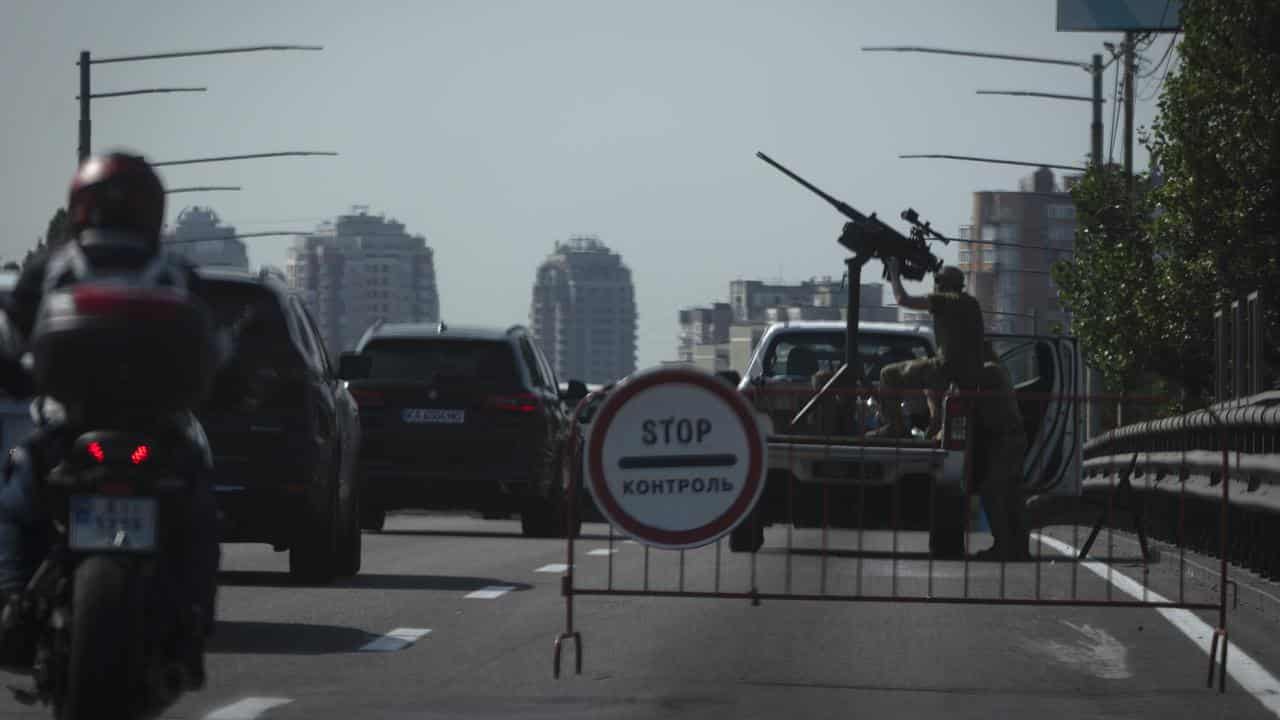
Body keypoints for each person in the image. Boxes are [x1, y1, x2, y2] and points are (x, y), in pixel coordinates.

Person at [0, 153, 225, 683]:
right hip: (155, 430)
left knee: (17, 491)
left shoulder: (55, 265)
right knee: (199, 507)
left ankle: (11, 604)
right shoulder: (174, 272)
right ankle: (192, 621)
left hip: (69, 426)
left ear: (80, 207)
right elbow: (216, 351)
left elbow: (13, 333)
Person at [867, 259, 985, 438]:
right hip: (967, 375)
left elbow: (902, 299)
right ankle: (935, 423)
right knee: (929, 380)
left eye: (936, 281)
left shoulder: (945, 299)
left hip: (946, 368)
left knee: (888, 374)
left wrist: (894, 272)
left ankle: (895, 427)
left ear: (942, 284)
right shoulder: (972, 303)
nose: (934, 286)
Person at [972, 342, 1030, 561]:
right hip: (1012, 437)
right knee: (1013, 494)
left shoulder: (988, 371)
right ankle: (1019, 548)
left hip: (1004, 439)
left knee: (992, 492)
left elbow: (972, 399)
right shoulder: (999, 369)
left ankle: (1003, 546)